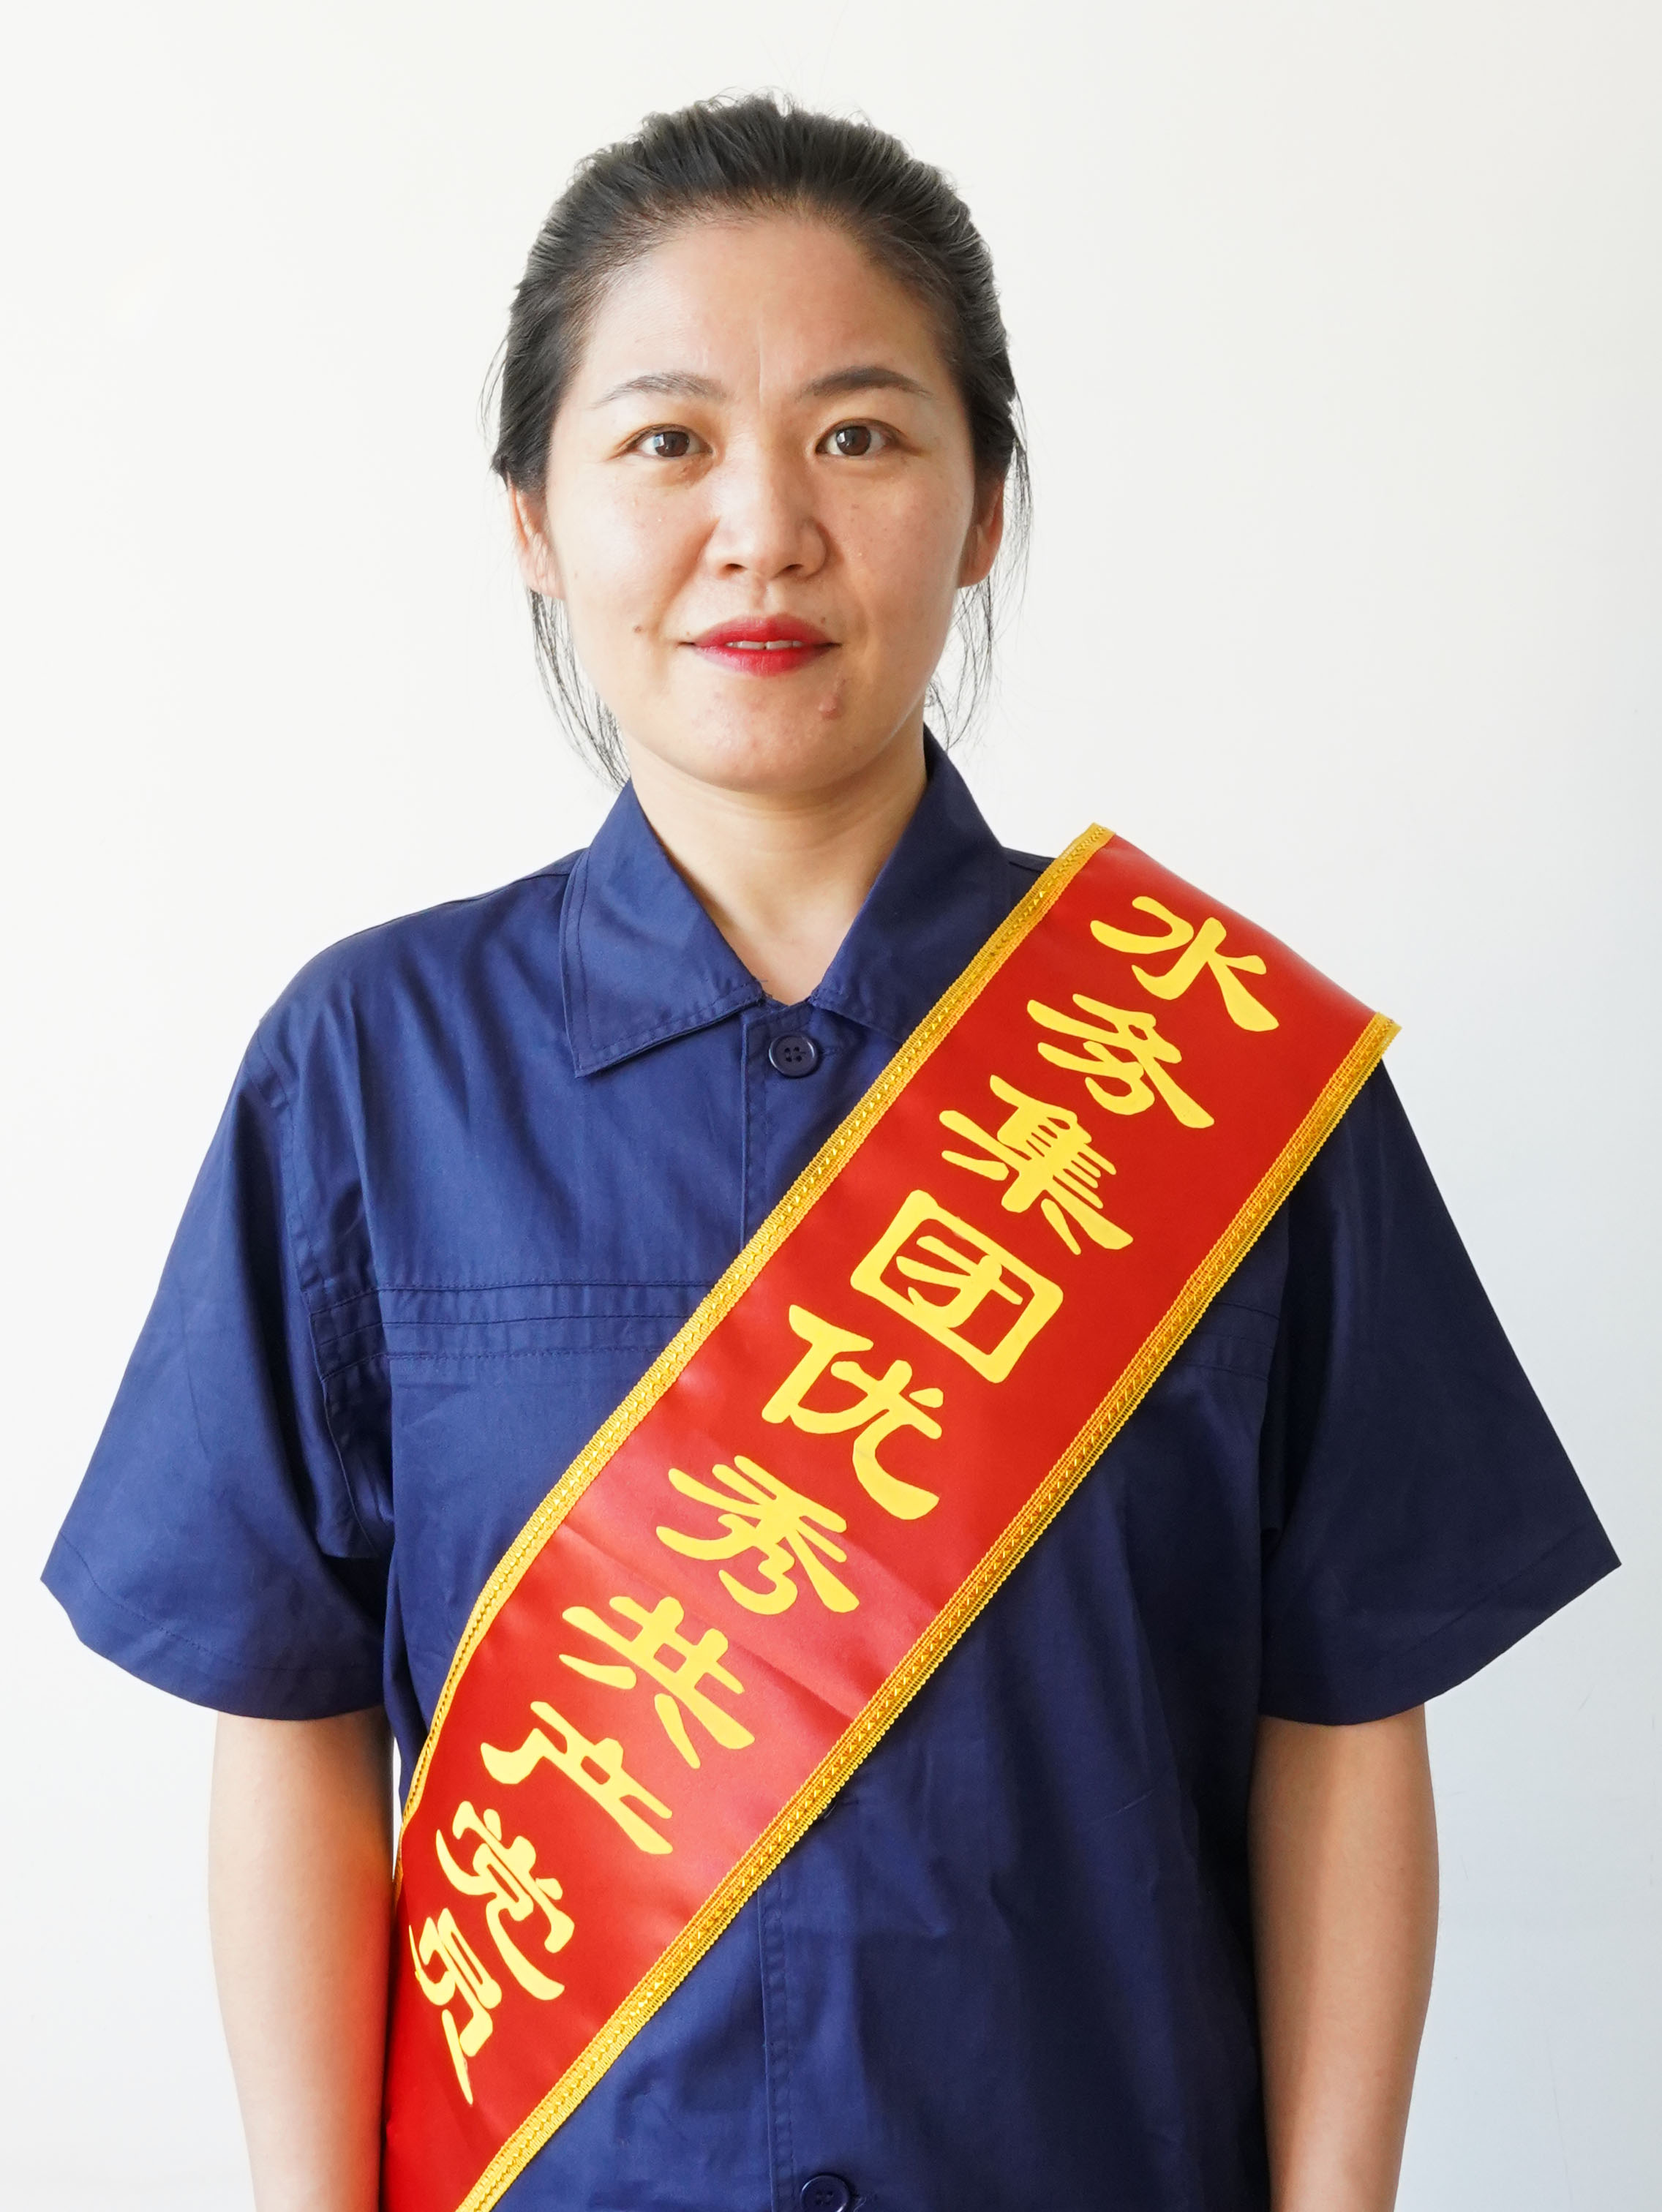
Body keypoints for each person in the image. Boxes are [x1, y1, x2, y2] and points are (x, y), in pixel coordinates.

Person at [44, 93, 1616, 2212]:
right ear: (534, 518)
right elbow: (289, 1727)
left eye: (859, 435)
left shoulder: (1221, 1072)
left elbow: (1343, 1728)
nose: (764, 528)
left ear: (982, 510)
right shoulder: (365, 1068)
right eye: (666, 441)